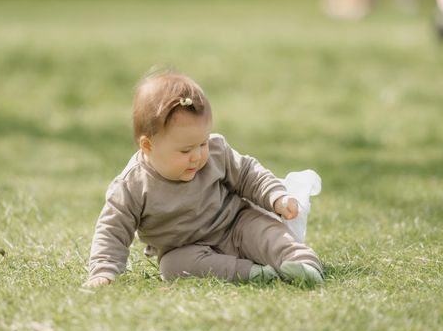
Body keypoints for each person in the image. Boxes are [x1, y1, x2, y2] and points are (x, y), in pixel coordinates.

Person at [82, 69, 324, 288]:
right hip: (184, 248)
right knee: (172, 267)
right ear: (147, 145)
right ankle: (252, 273)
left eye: (203, 143)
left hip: (235, 225)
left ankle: (302, 263)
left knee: (267, 234)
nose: (198, 156)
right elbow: (112, 230)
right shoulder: (132, 185)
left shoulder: (217, 152)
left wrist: (276, 196)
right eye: (186, 151)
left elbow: (248, 173)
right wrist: (104, 271)